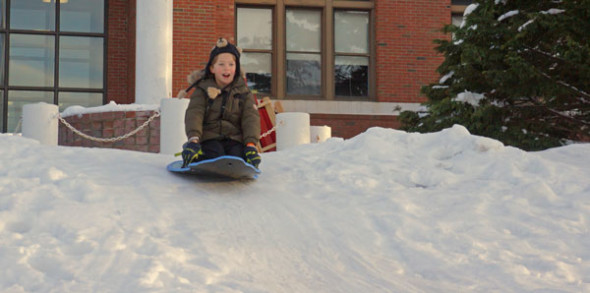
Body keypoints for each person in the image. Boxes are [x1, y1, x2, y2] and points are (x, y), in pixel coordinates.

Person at [178, 38, 261, 169]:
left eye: (231, 65)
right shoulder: (203, 90)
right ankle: (198, 157)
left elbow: (250, 118)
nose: (226, 68)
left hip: (234, 139)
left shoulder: (244, 92)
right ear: (212, 68)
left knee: (236, 157)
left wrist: (251, 145)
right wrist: (193, 140)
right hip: (209, 138)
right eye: (221, 64)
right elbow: (195, 113)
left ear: (237, 68)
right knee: (215, 154)